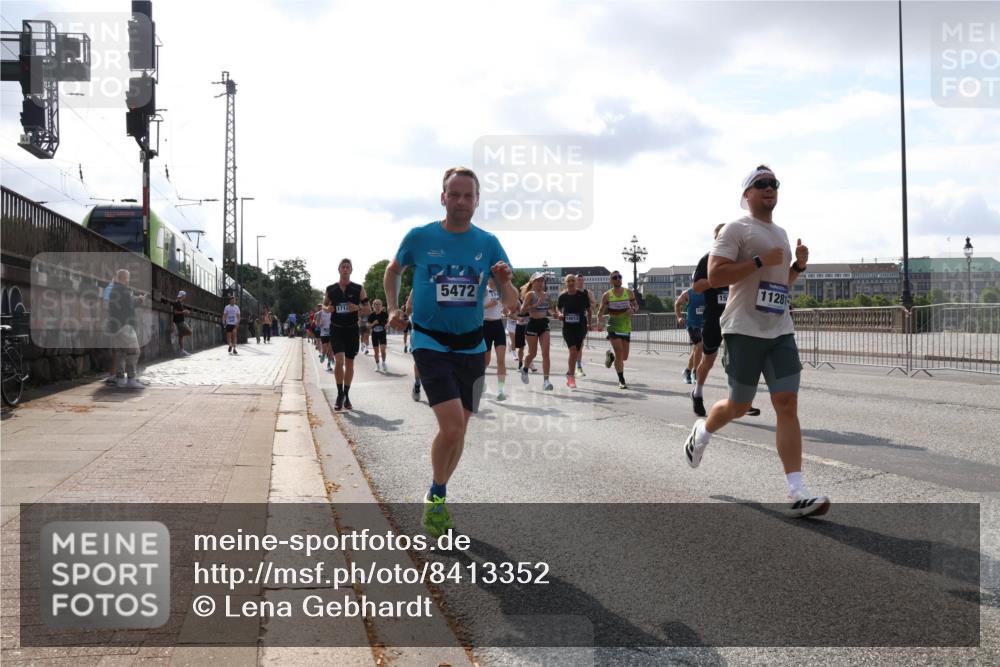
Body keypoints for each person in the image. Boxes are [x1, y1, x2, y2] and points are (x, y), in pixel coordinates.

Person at [684, 164, 828, 518]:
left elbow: (779, 286)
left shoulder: (780, 232)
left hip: (779, 329)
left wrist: (797, 269)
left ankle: (797, 491)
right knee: (737, 404)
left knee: (787, 404)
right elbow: (716, 275)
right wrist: (760, 259)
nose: (769, 189)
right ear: (746, 194)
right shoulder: (736, 229)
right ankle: (702, 431)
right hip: (743, 328)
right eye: (761, 184)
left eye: (774, 183)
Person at [384, 166, 516, 538]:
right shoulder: (420, 236)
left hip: (472, 345)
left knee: (460, 431)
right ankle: (437, 496)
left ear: (477, 200)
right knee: (453, 426)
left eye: (467, 195)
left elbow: (512, 303)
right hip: (430, 342)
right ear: (443, 197)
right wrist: (394, 309)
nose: (460, 201)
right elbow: (393, 271)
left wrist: (505, 283)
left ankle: (437, 492)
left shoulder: (488, 243)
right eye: (453, 195)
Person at [691, 225, 761, 418]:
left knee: (742, 362)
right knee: (709, 360)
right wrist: (719, 280)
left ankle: (742, 402)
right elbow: (696, 287)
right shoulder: (707, 259)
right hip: (715, 317)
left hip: (738, 317)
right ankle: (697, 392)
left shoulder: (741, 260)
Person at [325, 258, 370, 411]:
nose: (345, 269)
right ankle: (339, 395)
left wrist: (357, 307)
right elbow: (325, 305)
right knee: (339, 360)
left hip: (351, 329)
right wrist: (328, 309)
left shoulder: (358, 288)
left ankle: (346, 394)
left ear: (351, 270)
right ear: (339, 270)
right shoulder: (331, 289)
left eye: (348, 267)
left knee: (350, 363)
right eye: (343, 267)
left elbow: (368, 309)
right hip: (336, 328)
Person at [598, 270, 637, 389]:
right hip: (613, 326)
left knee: (624, 357)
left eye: (619, 276)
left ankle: (611, 357)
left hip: (626, 327)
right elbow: (600, 311)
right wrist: (599, 322)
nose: (618, 279)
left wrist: (633, 310)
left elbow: (636, 305)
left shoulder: (629, 292)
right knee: (619, 353)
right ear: (611, 281)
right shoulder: (607, 295)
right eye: (615, 277)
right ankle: (621, 380)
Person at [106, 269, 145, 389]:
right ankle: (131, 379)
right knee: (133, 352)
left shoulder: (113, 290)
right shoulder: (124, 290)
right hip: (125, 326)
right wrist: (140, 299)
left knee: (120, 353)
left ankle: (120, 379)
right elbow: (130, 304)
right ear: (124, 278)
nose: (129, 280)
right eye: (128, 278)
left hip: (115, 326)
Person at [519, 272, 553, 390]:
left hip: (544, 324)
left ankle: (546, 381)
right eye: (537, 281)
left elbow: (549, 310)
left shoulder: (547, 295)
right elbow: (522, 311)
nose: (540, 283)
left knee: (546, 353)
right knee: (532, 353)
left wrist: (557, 314)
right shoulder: (530, 294)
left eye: (541, 281)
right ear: (532, 283)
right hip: (532, 324)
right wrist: (535, 304)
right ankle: (525, 368)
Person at [556, 274, 589, 389]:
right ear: (566, 283)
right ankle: (571, 377)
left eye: (572, 281)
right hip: (568, 328)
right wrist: (560, 313)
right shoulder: (563, 296)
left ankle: (570, 372)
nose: (570, 283)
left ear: (575, 282)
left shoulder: (582, 295)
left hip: (580, 327)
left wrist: (589, 323)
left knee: (576, 351)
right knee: (573, 351)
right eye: (568, 281)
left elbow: (589, 309)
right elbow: (558, 307)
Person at [482, 276, 508, 400]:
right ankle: (480, 381)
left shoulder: (500, 290)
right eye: (491, 275)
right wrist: (489, 305)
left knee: (501, 361)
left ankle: (501, 390)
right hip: (485, 326)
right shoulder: (483, 289)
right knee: (485, 362)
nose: (494, 278)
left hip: (498, 325)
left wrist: (507, 309)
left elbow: (505, 306)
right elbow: (476, 308)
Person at [674, 287, 705, 384]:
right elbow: (677, 304)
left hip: (704, 324)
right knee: (699, 345)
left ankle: (687, 371)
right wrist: (679, 317)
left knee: (696, 349)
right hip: (692, 325)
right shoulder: (688, 293)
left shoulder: (708, 292)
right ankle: (695, 373)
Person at [159, 290, 193, 356]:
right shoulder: (176, 303)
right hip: (179, 322)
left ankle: (182, 350)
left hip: (180, 321)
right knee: (189, 332)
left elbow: (178, 312)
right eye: (184, 296)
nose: (185, 297)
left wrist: (184, 312)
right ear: (182, 296)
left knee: (181, 336)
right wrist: (184, 312)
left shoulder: (180, 303)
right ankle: (176, 334)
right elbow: (175, 312)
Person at [574, 274, 593, 377]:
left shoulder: (587, 293)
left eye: (582, 280)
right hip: (570, 323)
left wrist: (589, 323)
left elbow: (593, 305)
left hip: (582, 321)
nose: (580, 282)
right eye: (578, 280)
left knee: (580, 346)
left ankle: (579, 366)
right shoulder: (569, 292)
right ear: (575, 281)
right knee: (573, 348)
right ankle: (573, 366)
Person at [405, 291, 421, 401]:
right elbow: (409, 307)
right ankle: (417, 384)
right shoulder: (419, 285)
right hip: (419, 331)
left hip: (440, 329)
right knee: (419, 361)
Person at [369, 299, 389, 372]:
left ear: (381, 305)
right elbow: (368, 326)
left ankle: (383, 363)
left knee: (383, 350)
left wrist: (387, 325)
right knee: (376, 352)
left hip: (382, 333)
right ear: (373, 306)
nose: (378, 306)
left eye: (379, 304)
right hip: (374, 334)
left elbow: (388, 322)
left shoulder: (384, 314)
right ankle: (377, 365)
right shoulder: (371, 315)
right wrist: (373, 323)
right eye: (376, 304)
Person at [318, 302, 333, 372]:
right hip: (323, 333)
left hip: (331, 333)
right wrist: (320, 323)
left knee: (330, 350)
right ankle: (323, 354)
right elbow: (317, 323)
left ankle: (329, 365)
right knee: (324, 349)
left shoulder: (332, 311)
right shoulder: (321, 313)